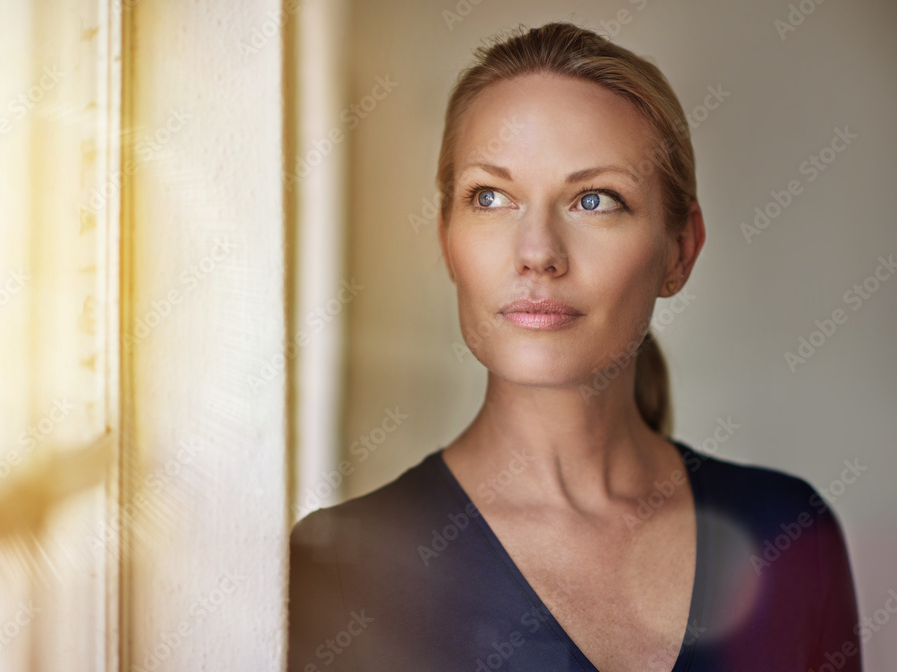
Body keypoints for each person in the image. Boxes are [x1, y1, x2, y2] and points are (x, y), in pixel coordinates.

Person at [288, 22, 860, 672]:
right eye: (491, 197)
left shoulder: (787, 534)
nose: (537, 253)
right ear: (446, 237)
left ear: (681, 250)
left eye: (594, 200)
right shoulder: (339, 566)